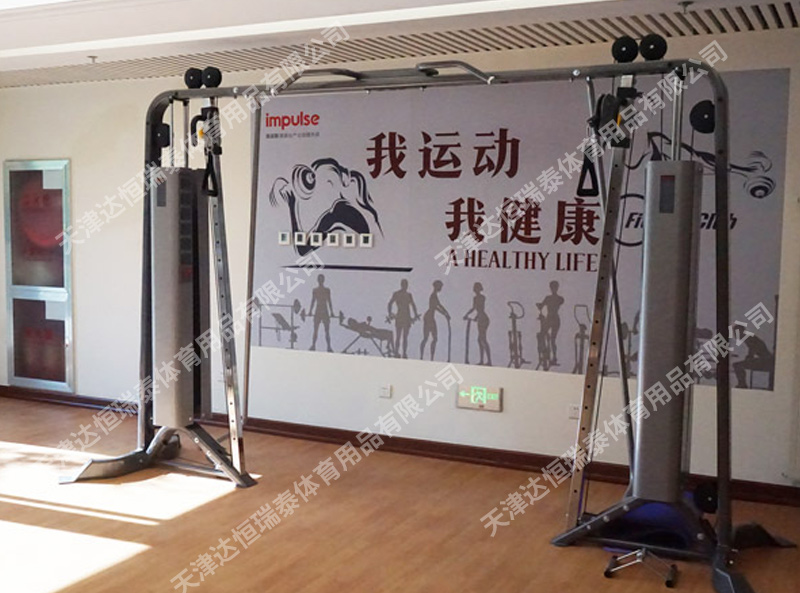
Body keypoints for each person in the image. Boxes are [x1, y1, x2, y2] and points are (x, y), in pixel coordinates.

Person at [387, 279, 418, 358]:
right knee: (399, 336)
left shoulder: (408, 295)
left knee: (404, 337)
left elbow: (413, 305)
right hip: (401, 317)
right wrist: (390, 313)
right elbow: (390, 303)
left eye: (406, 285)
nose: (405, 286)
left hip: (405, 317)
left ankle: (403, 353)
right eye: (405, 284)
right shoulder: (397, 294)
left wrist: (416, 315)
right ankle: (397, 352)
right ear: (402, 285)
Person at [419, 280, 450, 360]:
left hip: (431, 318)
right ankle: (422, 356)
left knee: (434, 338)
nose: (441, 288)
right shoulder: (433, 296)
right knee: (426, 338)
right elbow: (436, 307)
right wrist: (445, 314)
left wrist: (446, 313)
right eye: (440, 287)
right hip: (428, 318)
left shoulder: (435, 296)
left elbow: (439, 305)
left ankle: (431, 357)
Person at [536, 280, 564, 366]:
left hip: (553, 319)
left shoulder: (556, 298)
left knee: (552, 339)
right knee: (544, 336)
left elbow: (542, 305)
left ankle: (553, 357)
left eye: (554, 287)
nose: (553, 289)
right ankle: (545, 352)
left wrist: (540, 306)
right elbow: (541, 306)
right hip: (551, 319)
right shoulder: (553, 298)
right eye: (552, 287)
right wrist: (539, 306)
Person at [464, 282, 491, 365]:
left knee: (483, 339)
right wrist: (472, 316)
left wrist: (468, 315)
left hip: (483, 319)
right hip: (480, 319)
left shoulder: (482, 297)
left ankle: (489, 361)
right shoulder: (475, 298)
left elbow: (480, 308)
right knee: (480, 340)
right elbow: (475, 308)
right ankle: (482, 360)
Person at [308, 274, 334, 352]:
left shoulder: (327, 290)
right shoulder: (315, 290)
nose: (320, 281)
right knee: (316, 330)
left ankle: (328, 346)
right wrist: (310, 311)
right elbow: (313, 301)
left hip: (324, 310)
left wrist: (332, 312)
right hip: (318, 310)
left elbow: (329, 301)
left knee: (326, 331)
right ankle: (313, 345)